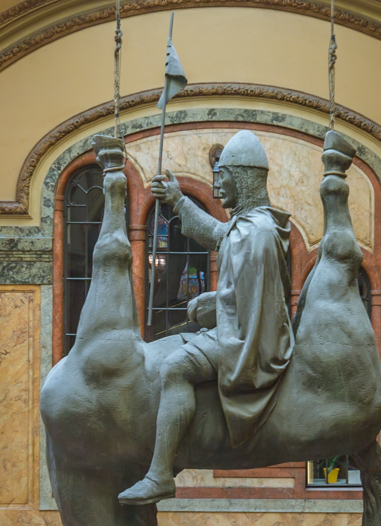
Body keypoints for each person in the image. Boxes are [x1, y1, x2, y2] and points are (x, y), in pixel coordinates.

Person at [121, 131, 294, 504]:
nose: (219, 189)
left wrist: (212, 304)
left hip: (251, 338)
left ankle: (160, 474)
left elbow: (254, 303)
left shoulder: (258, 232)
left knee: (175, 369)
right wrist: (178, 201)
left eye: (224, 178)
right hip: (243, 324)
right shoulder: (250, 225)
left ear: (244, 178)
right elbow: (221, 235)